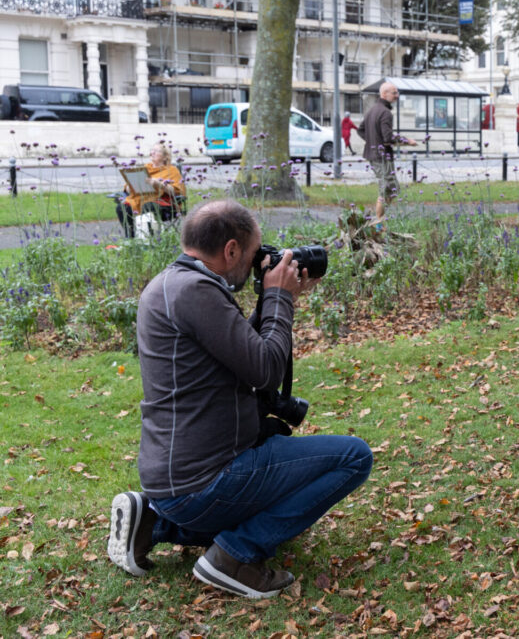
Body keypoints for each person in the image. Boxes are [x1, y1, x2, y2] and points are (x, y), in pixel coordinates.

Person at [107, 200, 373, 598]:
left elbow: (238, 352)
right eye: (253, 255)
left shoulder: (171, 284)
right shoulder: (196, 292)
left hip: (174, 480)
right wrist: (279, 298)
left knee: (278, 505)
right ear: (231, 250)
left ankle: (153, 521)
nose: (256, 264)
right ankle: (234, 557)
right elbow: (265, 367)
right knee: (354, 457)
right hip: (204, 481)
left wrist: (277, 298)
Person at [357, 81, 417, 221]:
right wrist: (407, 141)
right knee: (386, 190)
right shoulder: (385, 113)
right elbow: (388, 138)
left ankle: (378, 219)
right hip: (381, 157)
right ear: (384, 94)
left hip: (375, 155)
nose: (397, 95)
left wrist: (373, 141)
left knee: (393, 188)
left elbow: (361, 130)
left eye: (397, 92)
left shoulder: (372, 110)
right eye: (394, 93)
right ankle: (377, 223)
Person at [115, 144, 186, 238]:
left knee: (148, 206)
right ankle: (131, 238)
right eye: (152, 150)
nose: (152, 153)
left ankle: (149, 240)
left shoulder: (172, 170)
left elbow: (176, 191)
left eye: (156, 151)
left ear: (165, 157)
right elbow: (128, 188)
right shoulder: (145, 168)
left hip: (164, 203)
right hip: (140, 199)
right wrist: (131, 185)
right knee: (122, 208)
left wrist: (159, 184)